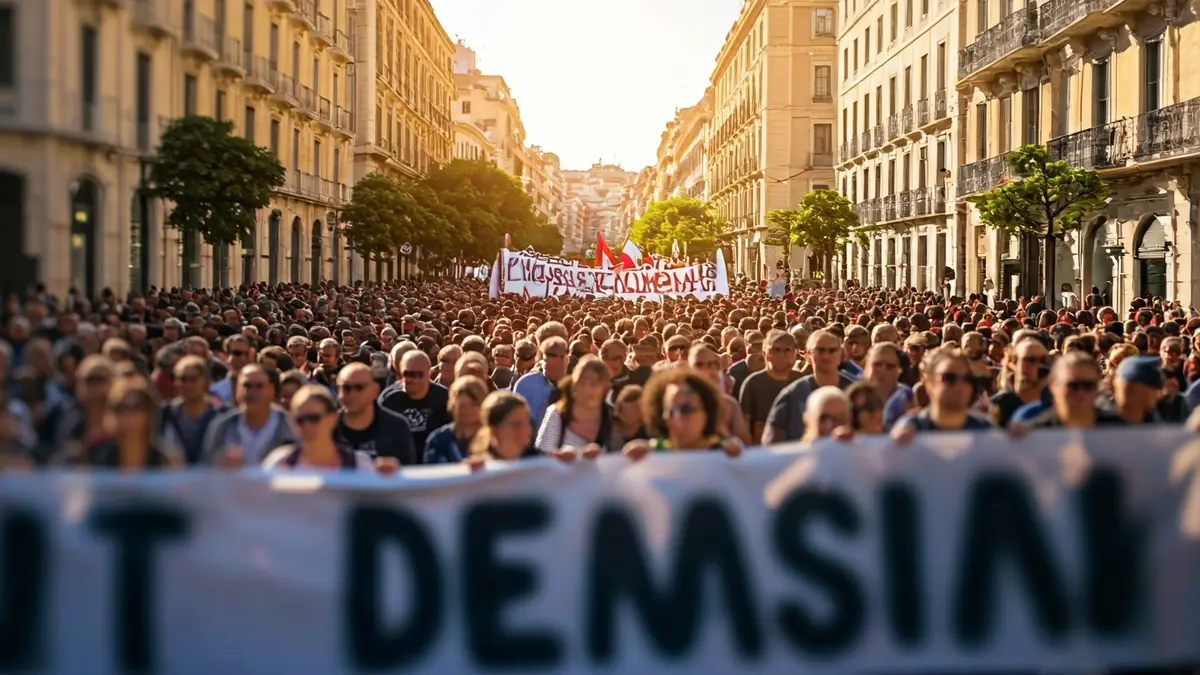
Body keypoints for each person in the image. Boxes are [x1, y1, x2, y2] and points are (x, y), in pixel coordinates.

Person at [59, 379, 182, 469]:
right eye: (121, 407)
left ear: (149, 412)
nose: (128, 413)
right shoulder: (94, 456)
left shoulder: (167, 459)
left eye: (136, 406)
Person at [624, 367, 743, 460]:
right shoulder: (651, 453)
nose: (678, 418)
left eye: (686, 409)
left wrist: (738, 457)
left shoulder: (725, 450)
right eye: (670, 411)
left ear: (706, 413)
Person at [763, 330, 854, 444]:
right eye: (820, 350)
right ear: (808, 355)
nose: (826, 356)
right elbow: (770, 443)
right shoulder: (792, 395)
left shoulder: (856, 391)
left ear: (840, 354)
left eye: (832, 350)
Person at [262, 385, 375, 471]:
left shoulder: (359, 465)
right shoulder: (279, 464)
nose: (306, 425)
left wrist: (387, 477)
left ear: (333, 418)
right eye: (300, 419)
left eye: (313, 418)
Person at [202, 364, 295, 465]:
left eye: (259, 386)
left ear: (271, 390)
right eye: (247, 386)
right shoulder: (222, 428)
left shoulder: (291, 427)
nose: (252, 392)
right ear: (237, 390)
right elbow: (206, 468)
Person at [893, 348, 994, 436]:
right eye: (949, 378)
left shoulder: (986, 430)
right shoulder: (911, 429)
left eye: (967, 378)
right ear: (929, 383)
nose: (960, 385)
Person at [334, 362, 417, 465]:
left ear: (375, 390)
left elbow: (409, 472)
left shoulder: (396, 427)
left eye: (359, 387)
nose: (352, 394)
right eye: (346, 387)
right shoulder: (326, 427)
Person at [535, 355, 613, 453]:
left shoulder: (612, 416)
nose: (588, 389)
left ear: (605, 389)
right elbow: (542, 454)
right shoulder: (557, 413)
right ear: (574, 386)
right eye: (583, 383)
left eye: (594, 384)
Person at [378, 350, 450, 458]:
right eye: (406, 374)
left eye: (417, 375)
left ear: (428, 374)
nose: (410, 380)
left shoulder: (445, 398)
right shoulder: (389, 400)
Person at [739, 330, 802, 443]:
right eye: (776, 350)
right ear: (765, 354)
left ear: (794, 354)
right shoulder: (753, 384)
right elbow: (744, 426)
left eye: (787, 350)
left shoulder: (801, 382)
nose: (782, 355)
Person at [159, 355, 222, 465]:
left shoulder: (220, 415)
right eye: (183, 379)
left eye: (193, 379)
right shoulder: (165, 414)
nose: (188, 385)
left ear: (205, 381)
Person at [687, 344, 750, 443]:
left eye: (711, 364)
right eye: (699, 364)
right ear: (690, 368)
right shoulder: (680, 402)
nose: (705, 369)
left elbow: (744, 442)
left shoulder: (729, 405)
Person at [424, 376, 489, 464]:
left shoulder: (493, 440)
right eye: (461, 405)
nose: (466, 410)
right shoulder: (438, 440)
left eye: (473, 405)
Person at [467, 391, 542, 464]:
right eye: (516, 425)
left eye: (526, 423)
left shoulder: (542, 465)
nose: (525, 430)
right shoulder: (480, 470)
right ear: (493, 430)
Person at [513, 336, 568, 429]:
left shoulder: (575, 387)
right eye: (550, 355)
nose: (556, 361)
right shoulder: (526, 384)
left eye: (561, 356)